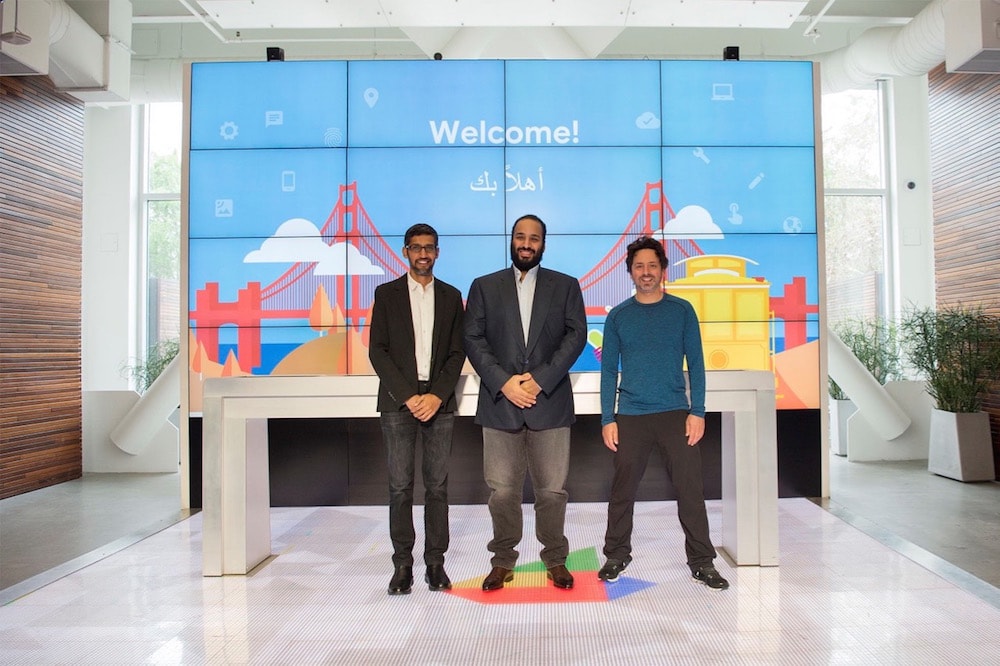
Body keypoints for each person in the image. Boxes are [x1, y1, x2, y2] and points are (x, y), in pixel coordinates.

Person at [597, 236, 729, 590]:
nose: (646, 272)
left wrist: (697, 410)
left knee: (690, 490)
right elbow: (609, 371)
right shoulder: (619, 317)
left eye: (652, 266)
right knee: (622, 490)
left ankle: (702, 562)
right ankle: (616, 554)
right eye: (639, 266)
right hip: (631, 415)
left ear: (663, 270)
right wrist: (607, 418)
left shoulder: (682, 310)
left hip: (675, 413)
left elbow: (697, 365)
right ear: (630, 272)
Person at [464, 214, 587, 591]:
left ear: (543, 245)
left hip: (548, 402)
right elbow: (473, 339)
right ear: (512, 240)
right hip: (500, 404)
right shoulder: (484, 287)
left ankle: (555, 560)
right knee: (502, 492)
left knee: (552, 490)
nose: (526, 243)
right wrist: (505, 383)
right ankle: (502, 561)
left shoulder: (566, 286)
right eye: (521, 236)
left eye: (534, 238)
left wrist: (539, 380)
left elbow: (576, 336)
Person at [369, 223, 466, 596]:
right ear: (405, 252)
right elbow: (378, 350)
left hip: (438, 404)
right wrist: (410, 396)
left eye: (429, 248)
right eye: (416, 248)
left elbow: (458, 353)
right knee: (399, 488)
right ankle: (402, 566)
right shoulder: (387, 294)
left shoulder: (451, 296)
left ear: (437, 252)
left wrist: (437, 396)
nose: (423, 254)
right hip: (398, 403)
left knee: (438, 487)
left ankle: (435, 564)